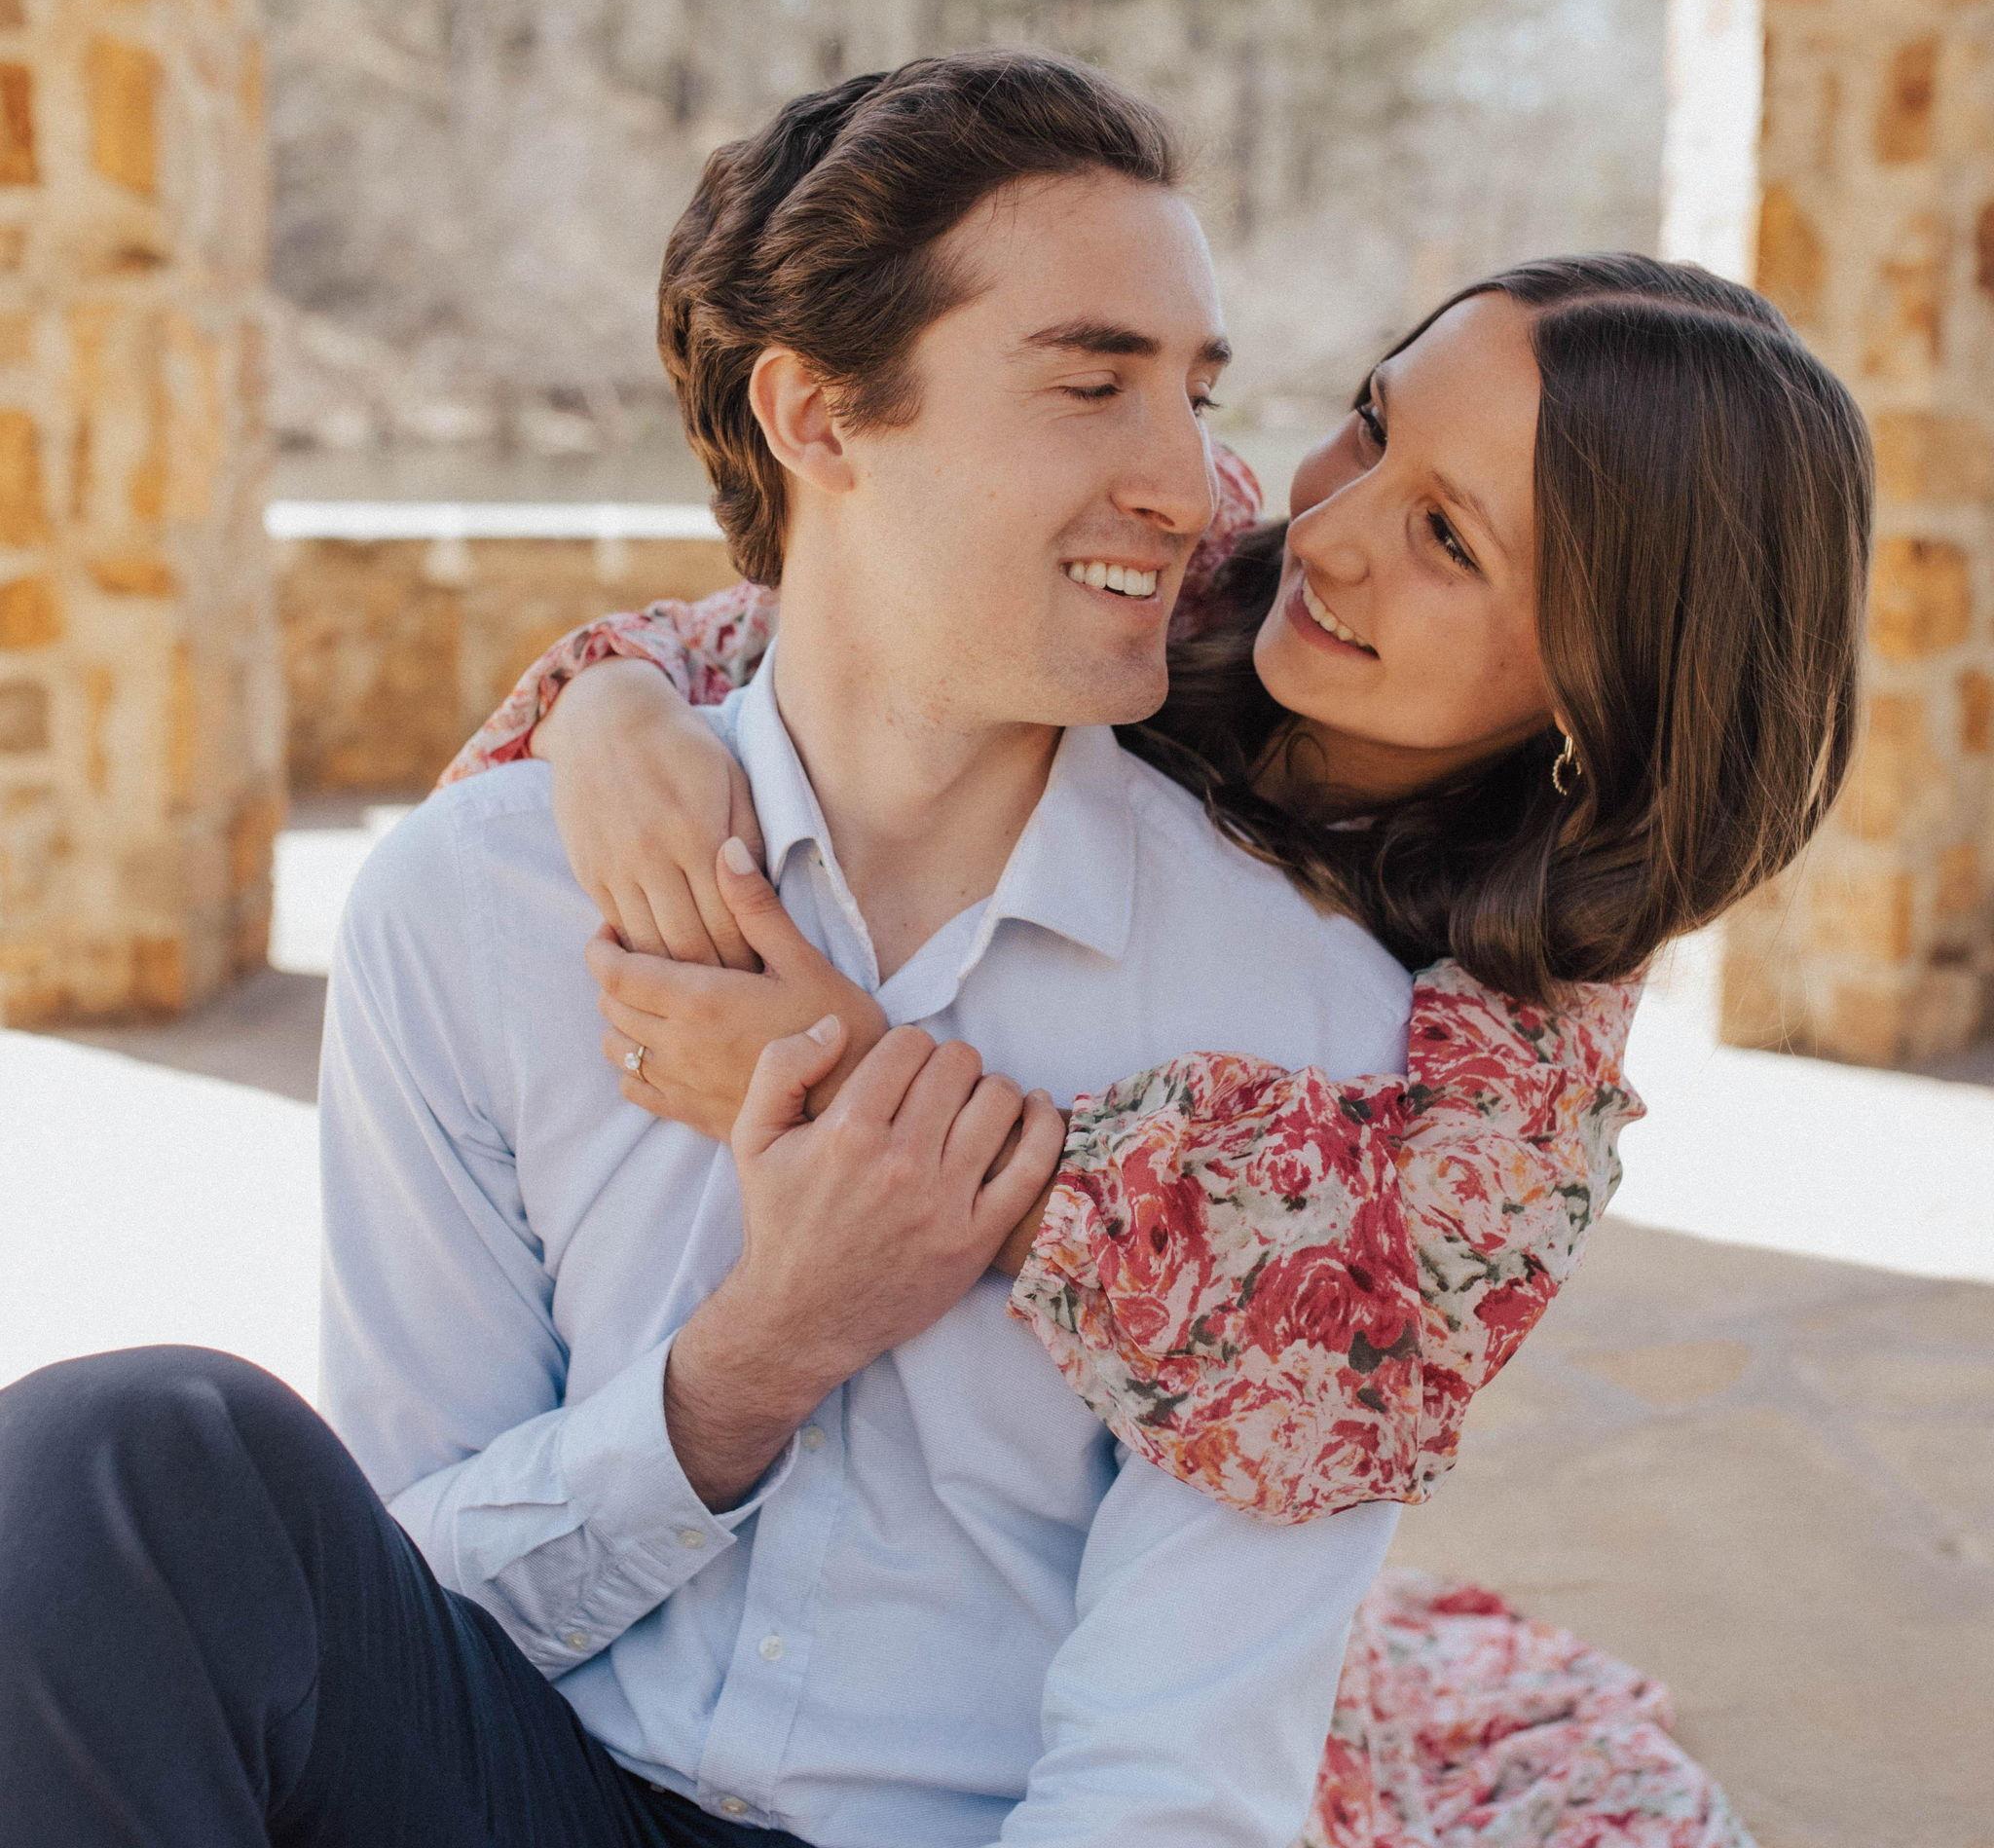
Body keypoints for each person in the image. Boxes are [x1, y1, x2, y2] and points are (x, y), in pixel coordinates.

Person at [441, 259, 1871, 1848]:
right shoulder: (1199, 558)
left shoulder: (1514, 1046)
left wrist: (844, 1074)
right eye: (1371, 424)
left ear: (1604, 691)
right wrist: (616, 710)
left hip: (1144, 1640)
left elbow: (1337, 1342)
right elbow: (837, 625)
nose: (1332, 533)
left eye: (1450, 539)